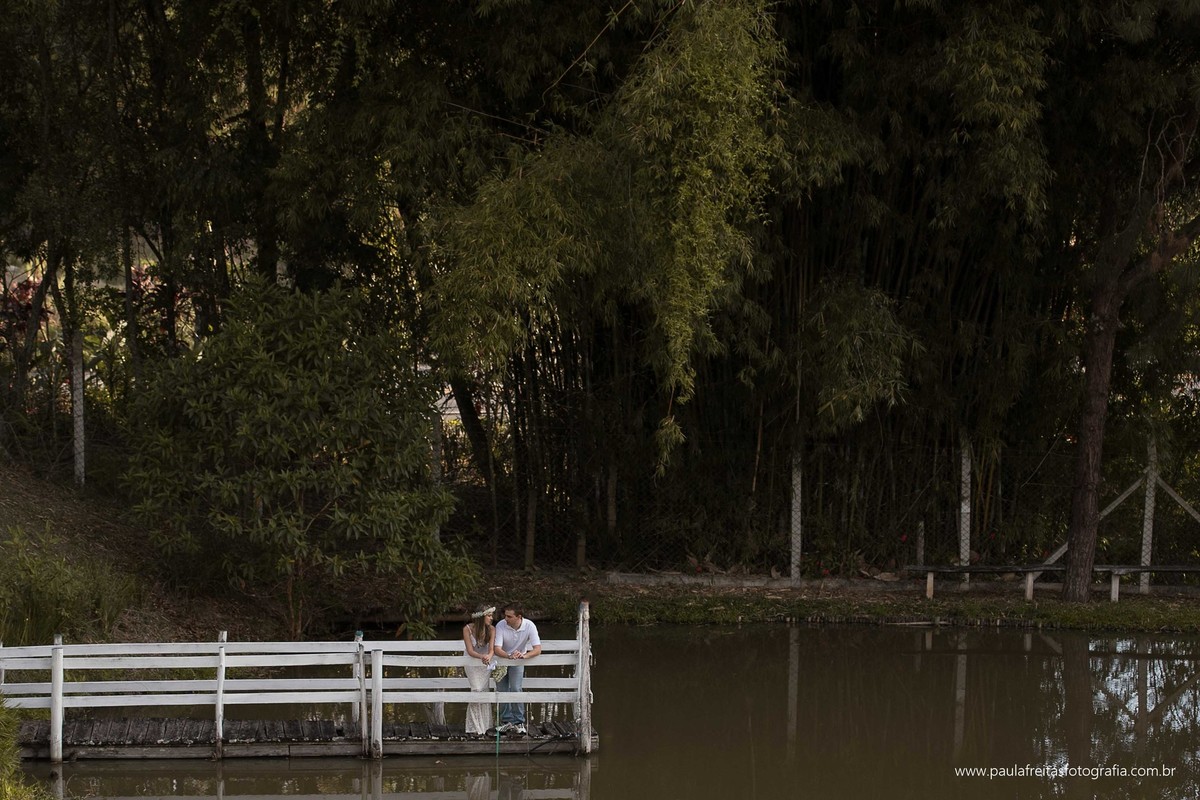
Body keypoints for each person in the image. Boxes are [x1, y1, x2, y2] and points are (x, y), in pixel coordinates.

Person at [493, 601, 541, 735]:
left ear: (519, 617)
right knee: (502, 690)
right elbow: (497, 648)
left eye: (509, 617)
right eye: (505, 616)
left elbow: (537, 649)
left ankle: (519, 722)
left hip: (519, 660)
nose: (505, 619)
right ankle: (506, 722)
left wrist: (524, 656)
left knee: (515, 688)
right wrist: (508, 656)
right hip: (502, 659)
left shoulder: (529, 626)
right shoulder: (501, 625)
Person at [462, 604, 497, 736]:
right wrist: (481, 656)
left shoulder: (492, 629)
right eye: (488, 616)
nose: (491, 618)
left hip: (485, 663)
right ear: (481, 617)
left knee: (484, 690)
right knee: (476, 689)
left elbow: (492, 648)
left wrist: (488, 655)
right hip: (472, 662)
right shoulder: (467, 629)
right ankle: (474, 726)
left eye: (491, 615)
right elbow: (470, 650)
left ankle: (485, 725)